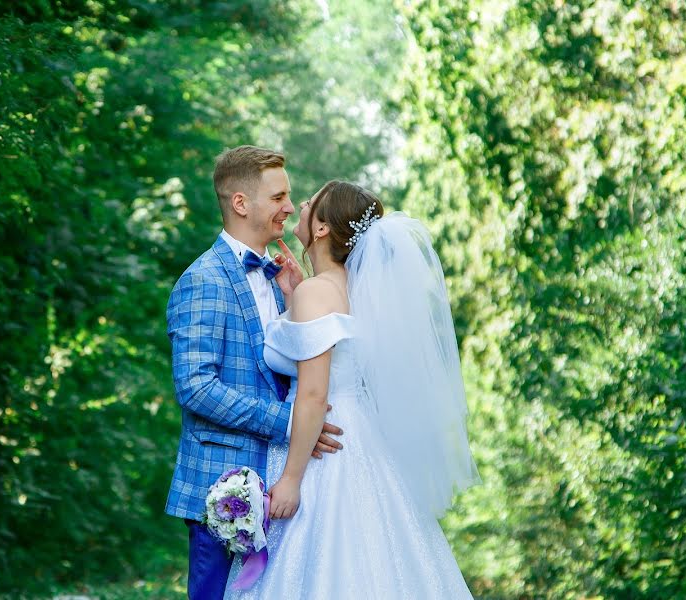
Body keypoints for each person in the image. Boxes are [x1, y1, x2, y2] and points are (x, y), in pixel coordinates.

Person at [225, 181, 481, 599]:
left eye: (309, 204)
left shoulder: (316, 293)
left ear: (322, 229)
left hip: (322, 446)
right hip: (362, 438)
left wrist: (290, 479)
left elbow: (313, 394)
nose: (299, 206)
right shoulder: (357, 290)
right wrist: (294, 295)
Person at [165, 146, 345, 600]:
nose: (289, 206)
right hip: (222, 487)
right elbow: (196, 387)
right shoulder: (203, 279)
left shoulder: (280, 277)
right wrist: (289, 422)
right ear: (241, 203)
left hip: (284, 483)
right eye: (279, 197)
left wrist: (293, 298)